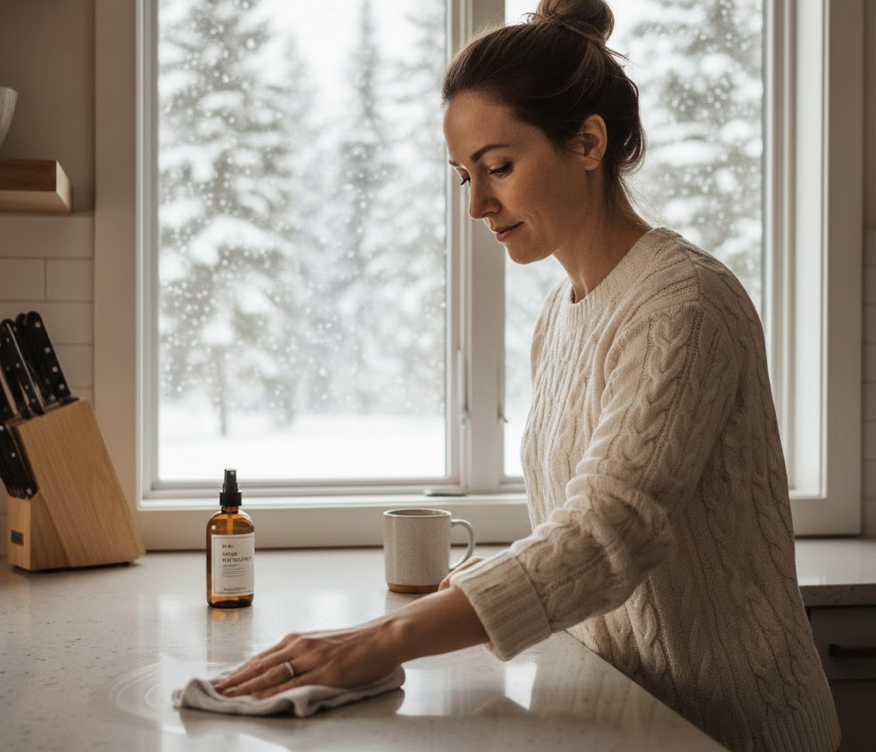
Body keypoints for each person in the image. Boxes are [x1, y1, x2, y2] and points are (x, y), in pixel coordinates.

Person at [213, 1, 841, 750]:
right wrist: (495, 579)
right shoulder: (561, 317)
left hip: (731, 727)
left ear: (587, 142)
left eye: (500, 168)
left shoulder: (686, 304)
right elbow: (585, 520)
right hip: (620, 714)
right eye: (463, 177)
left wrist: (377, 640)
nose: (478, 205)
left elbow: (609, 533)